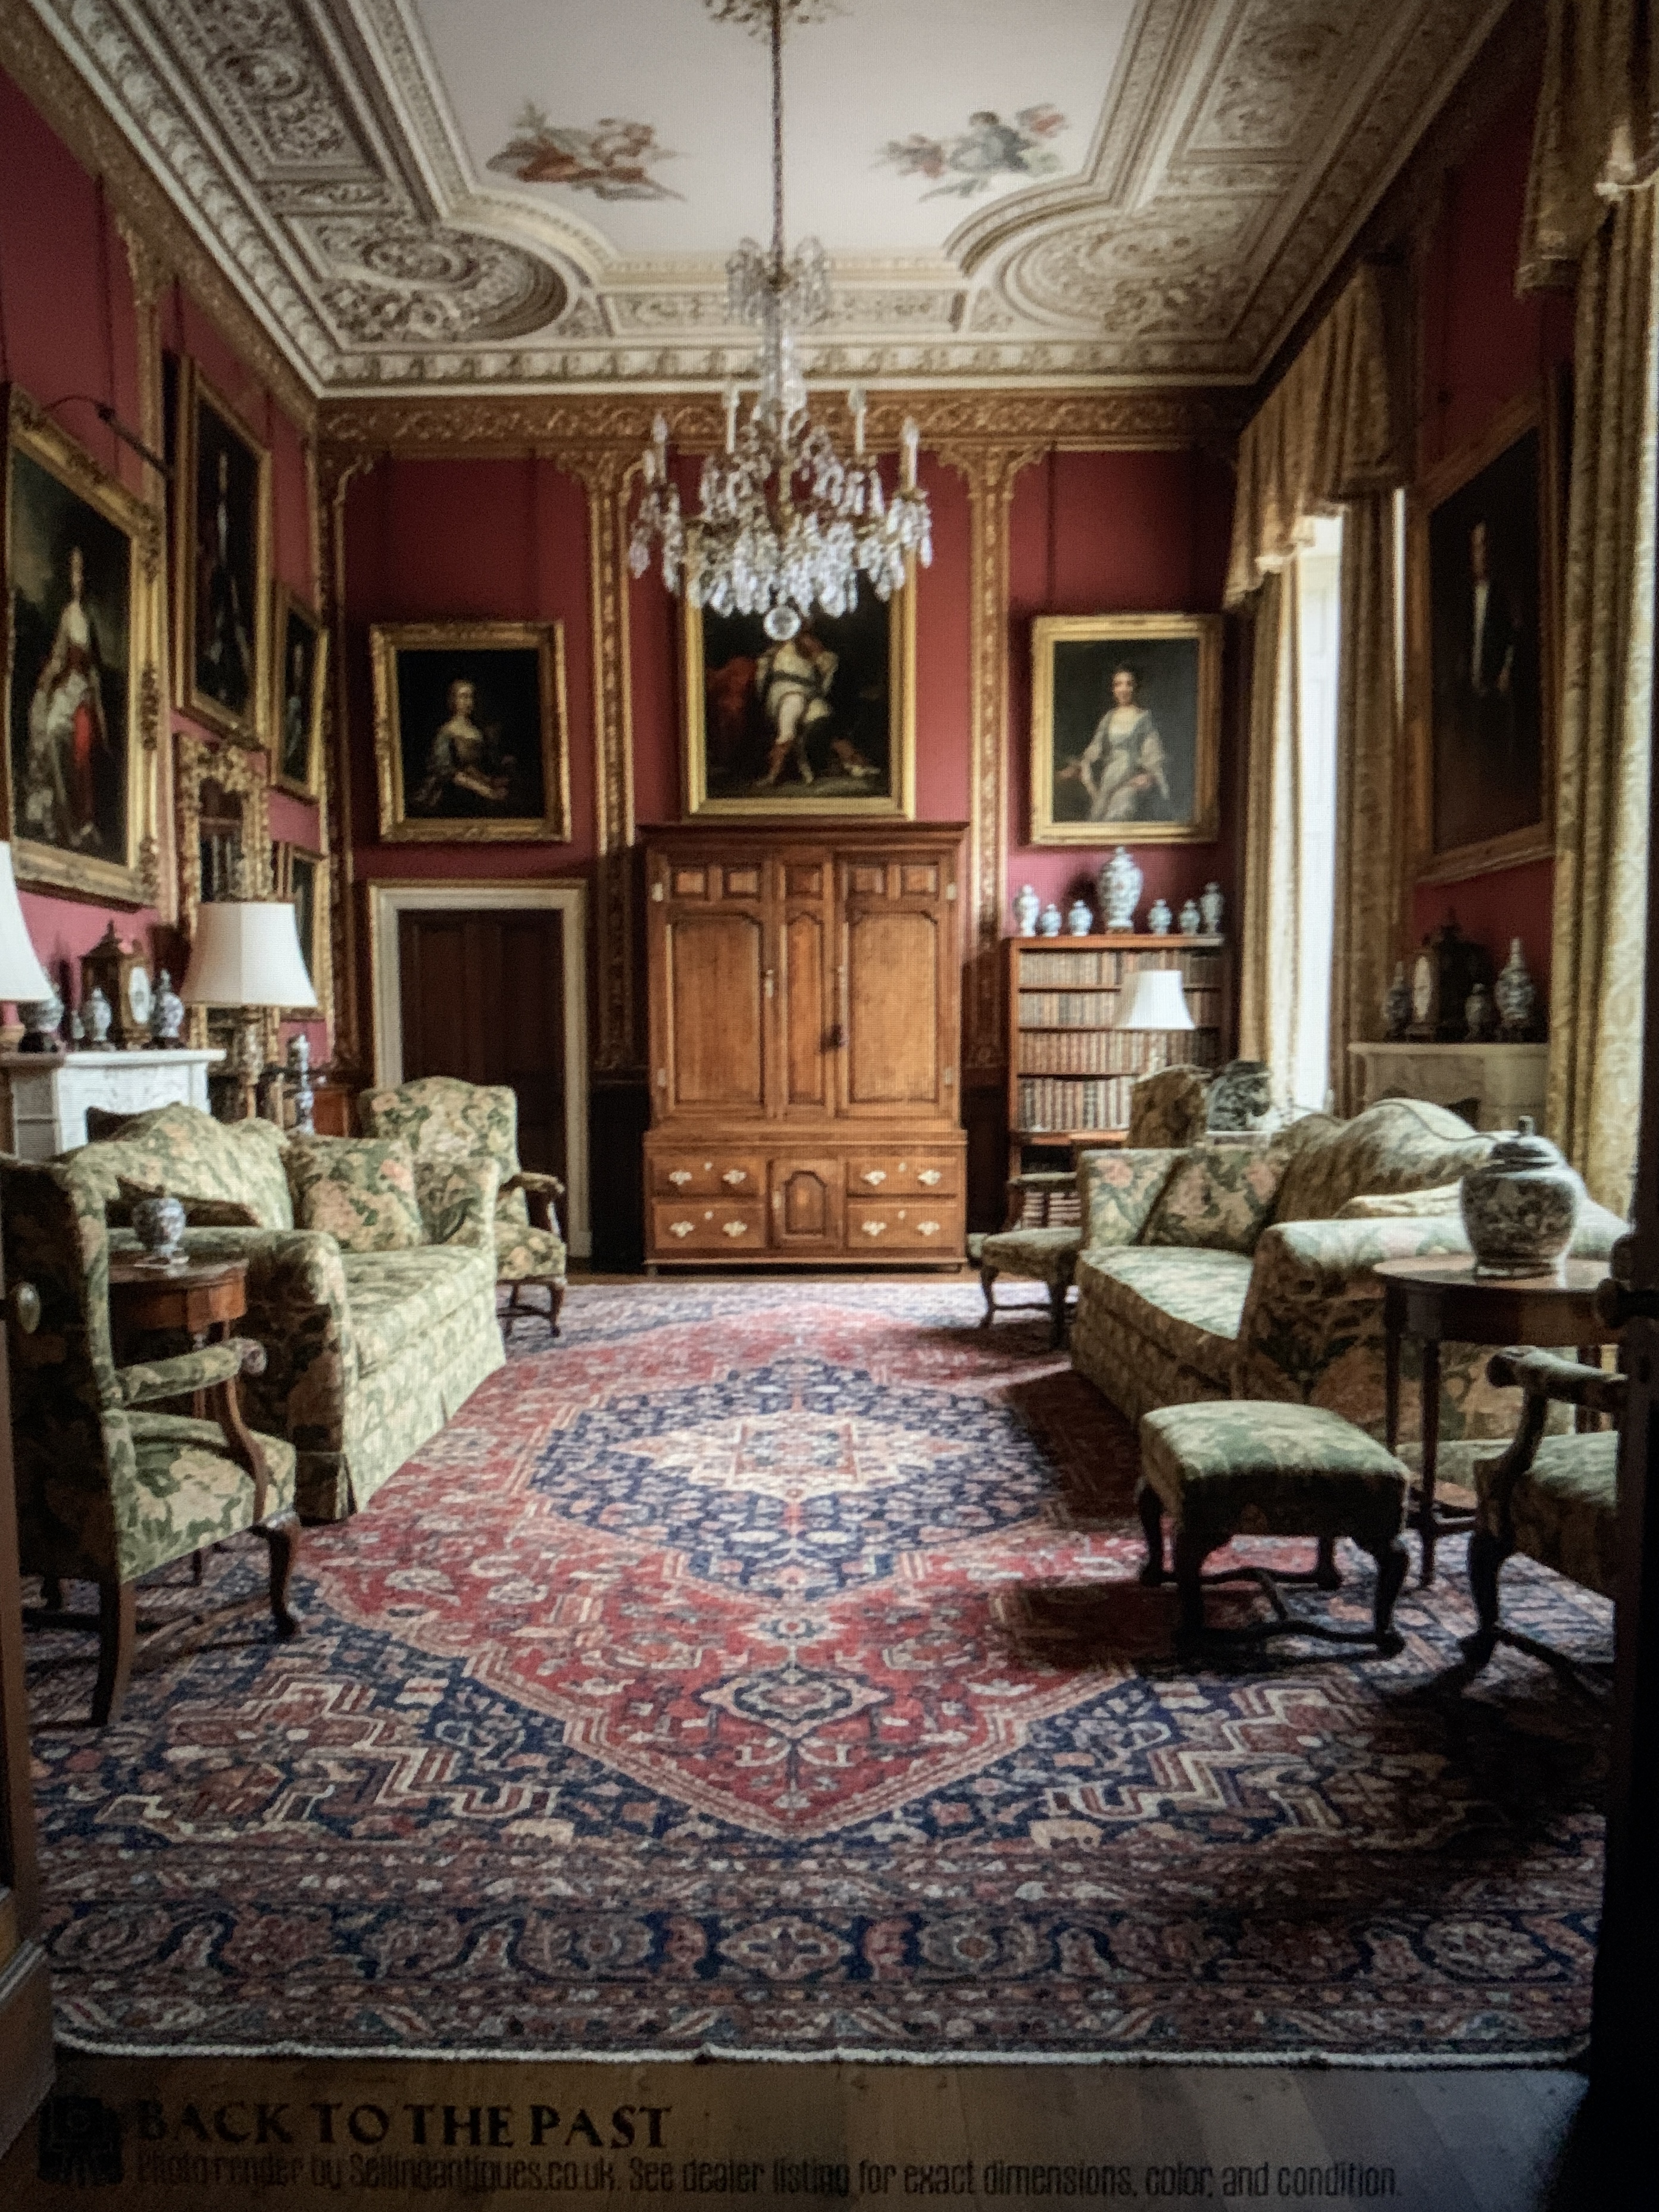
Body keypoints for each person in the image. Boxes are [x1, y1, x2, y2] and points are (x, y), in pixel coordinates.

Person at [24, 544, 108, 852]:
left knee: (81, 755)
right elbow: (60, 655)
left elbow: (93, 666)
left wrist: (95, 702)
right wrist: (46, 681)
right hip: (68, 689)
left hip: (82, 694)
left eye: (81, 572)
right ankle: (61, 815)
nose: (77, 579)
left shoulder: (89, 618)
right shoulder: (68, 613)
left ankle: (81, 821)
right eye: (73, 571)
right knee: (48, 730)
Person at [1060, 664, 1170, 823]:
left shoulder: (1144, 718)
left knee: (1122, 808)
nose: (1123, 690)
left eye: (1128, 684)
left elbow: (1154, 755)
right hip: (1110, 777)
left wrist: (1149, 776)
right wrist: (1079, 766)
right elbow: (1095, 749)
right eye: (1118, 684)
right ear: (1113, 689)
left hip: (1131, 778)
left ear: (1135, 687)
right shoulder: (1108, 718)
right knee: (1099, 815)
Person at [197, 444, 252, 713]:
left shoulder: (229, 521)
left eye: (225, 473)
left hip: (224, 612)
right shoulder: (206, 563)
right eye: (219, 472)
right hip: (212, 620)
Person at [410, 678, 513, 813]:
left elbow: (472, 767)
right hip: (453, 792)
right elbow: (447, 772)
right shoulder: (446, 732)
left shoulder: (477, 732)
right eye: (463, 697)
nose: (468, 702)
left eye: (471, 697)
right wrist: (487, 791)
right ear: (453, 700)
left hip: (476, 789)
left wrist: (490, 782)